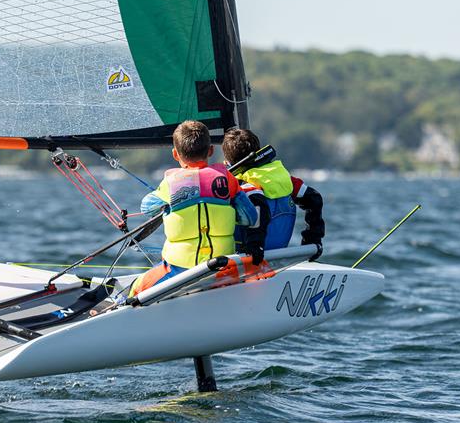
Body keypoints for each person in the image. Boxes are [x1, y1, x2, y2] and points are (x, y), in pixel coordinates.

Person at [129, 120, 259, 297]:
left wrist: (170, 200)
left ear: (176, 154)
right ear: (211, 150)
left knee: (136, 287)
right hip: (222, 269)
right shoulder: (227, 179)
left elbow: (147, 208)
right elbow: (249, 218)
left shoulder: (171, 183)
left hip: (179, 270)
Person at [221, 129, 325, 259]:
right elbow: (314, 199)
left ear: (227, 161)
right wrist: (312, 241)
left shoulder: (242, 183)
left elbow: (258, 206)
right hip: (278, 253)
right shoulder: (284, 178)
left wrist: (255, 245)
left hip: (251, 256)